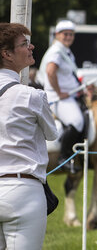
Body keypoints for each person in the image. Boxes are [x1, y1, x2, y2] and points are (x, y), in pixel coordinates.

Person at [0, 22, 59, 249]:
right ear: (6, 54)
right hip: (22, 192)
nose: (32, 46)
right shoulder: (32, 96)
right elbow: (52, 133)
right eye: (24, 44)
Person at [38, 20, 86, 172]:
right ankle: (63, 157)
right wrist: (59, 92)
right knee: (77, 121)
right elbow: (51, 71)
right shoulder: (56, 52)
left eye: (71, 34)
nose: (68, 37)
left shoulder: (66, 51)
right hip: (59, 98)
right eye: (65, 34)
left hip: (70, 95)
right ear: (57, 35)